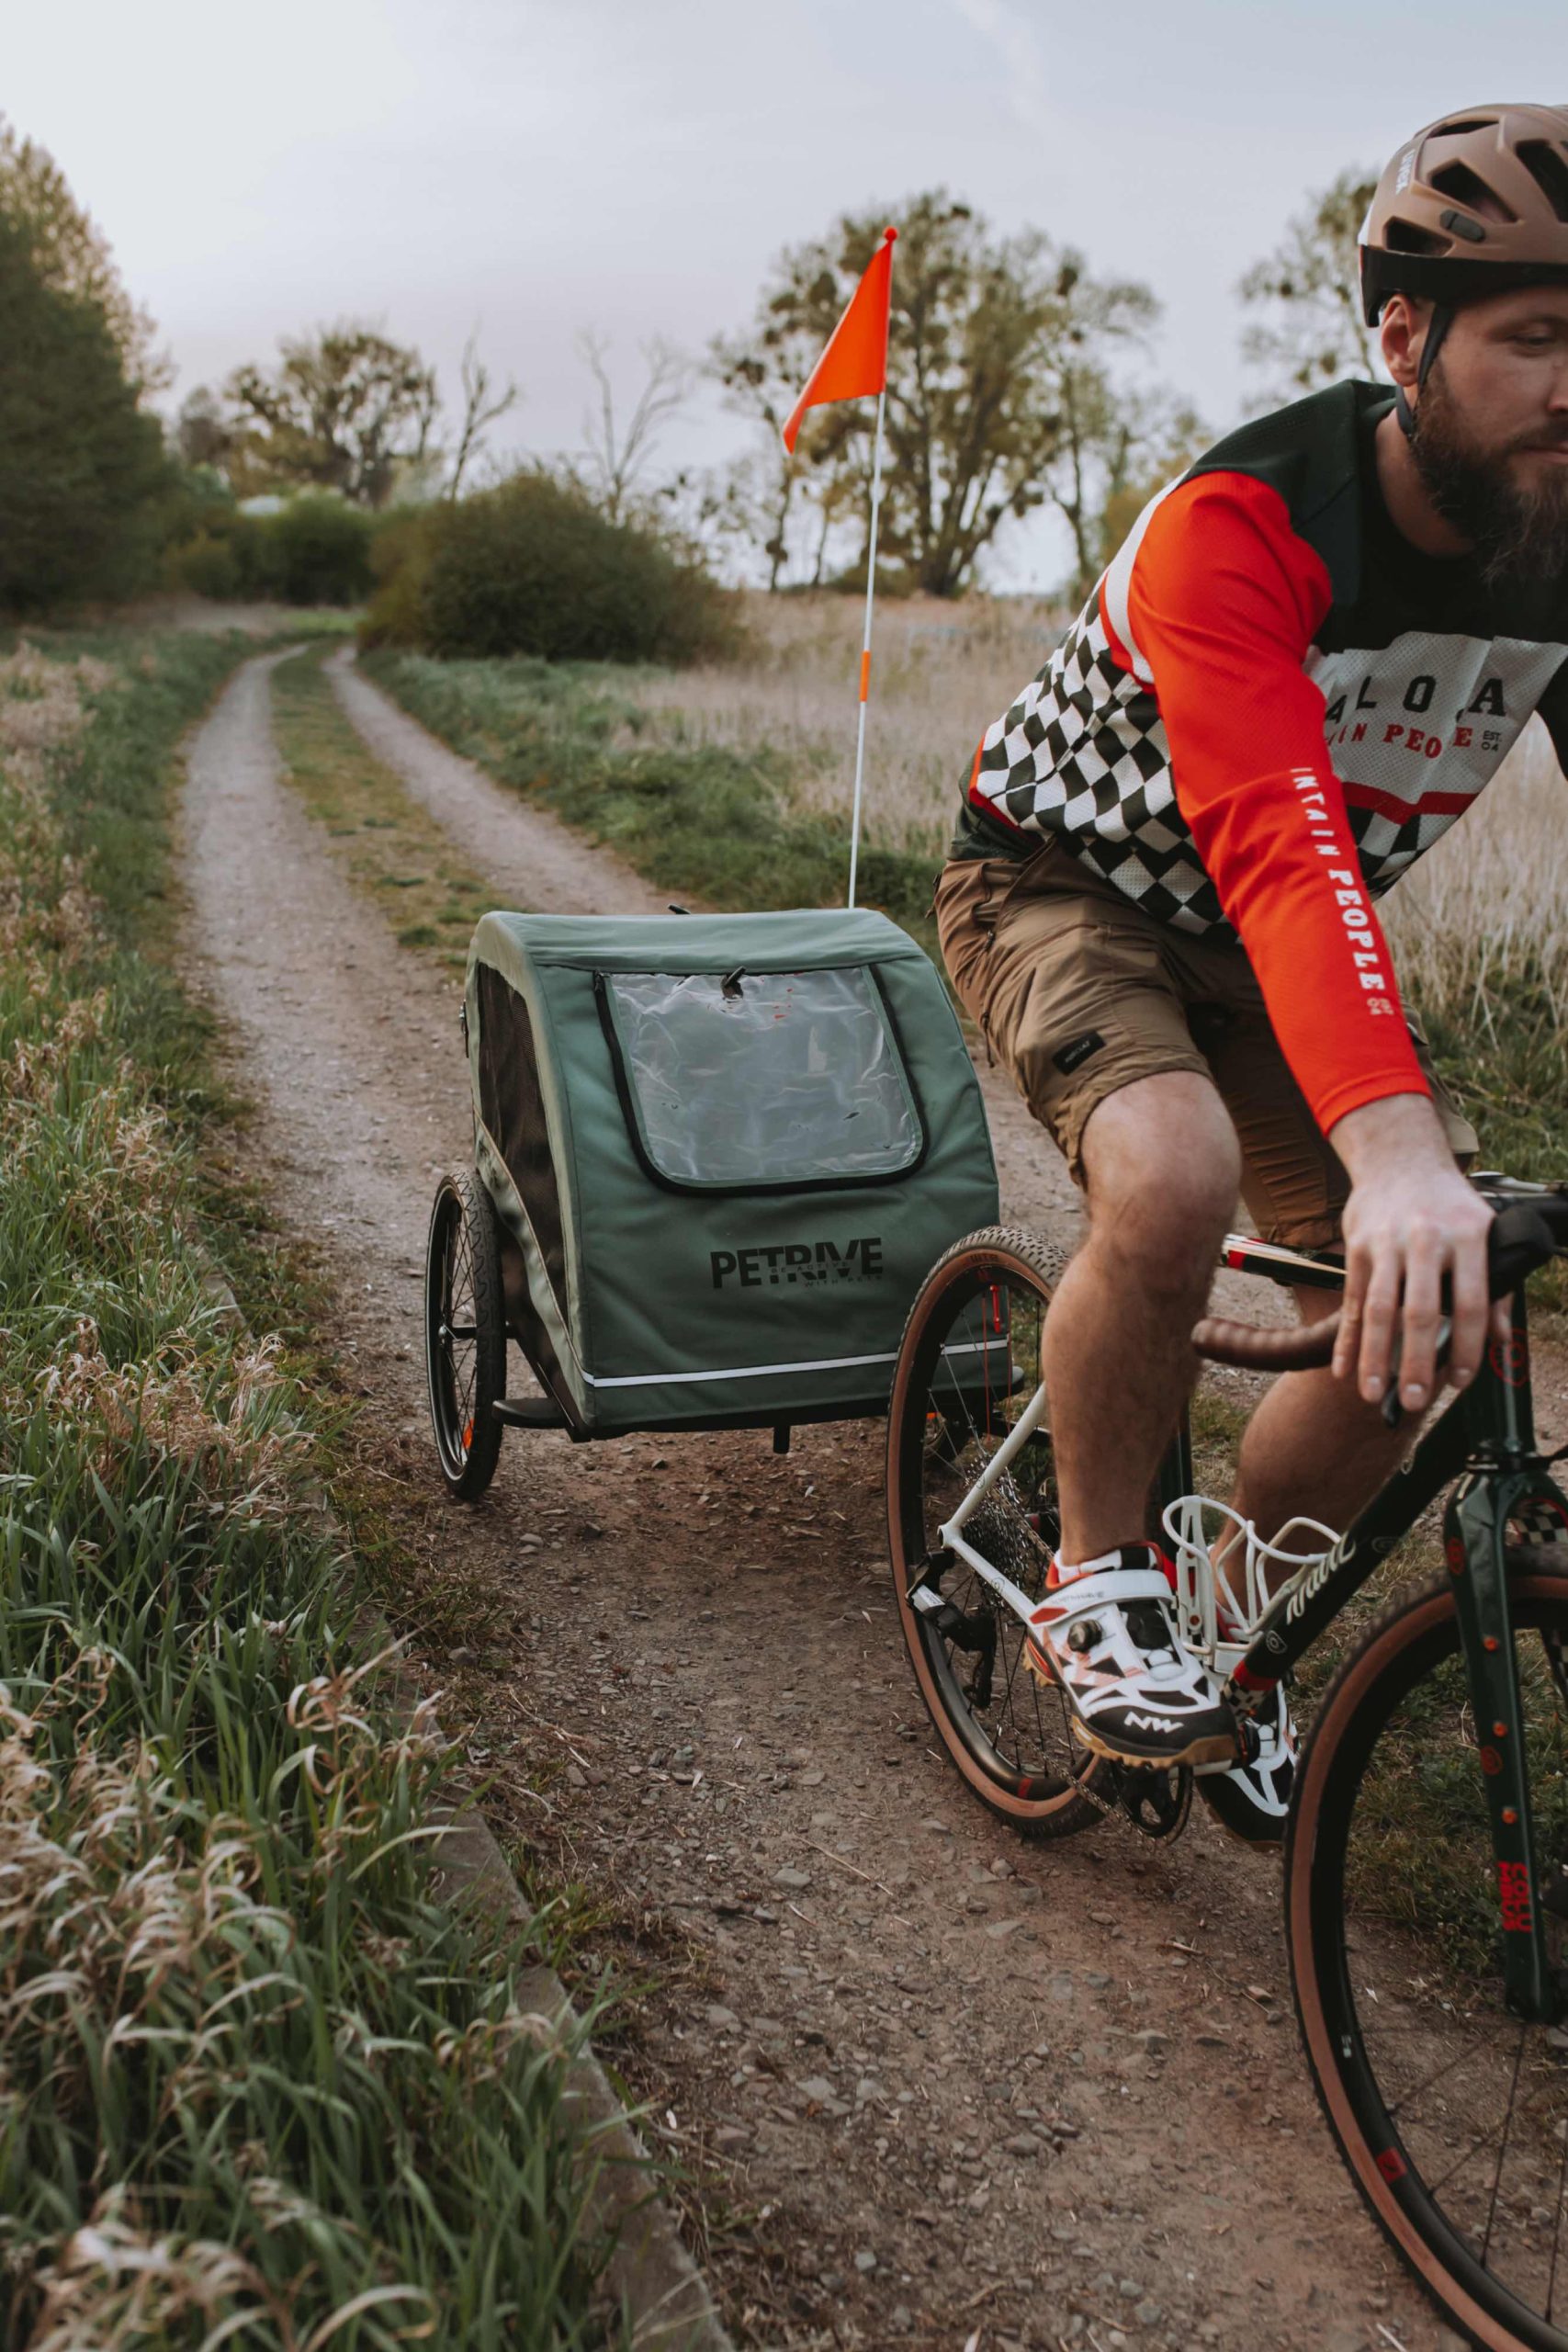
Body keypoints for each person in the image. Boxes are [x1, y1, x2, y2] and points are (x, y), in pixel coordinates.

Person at [935, 105, 1568, 1839]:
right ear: (1404, 340)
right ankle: (1092, 1580)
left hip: (1258, 946)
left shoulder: (1554, 539)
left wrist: (1415, 1197)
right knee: (1173, 1176)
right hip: (1066, 888)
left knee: (1429, 1313)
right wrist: (1400, 1150)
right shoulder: (1248, 521)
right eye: (1536, 339)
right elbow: (1283, 848)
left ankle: (1225, 1623)